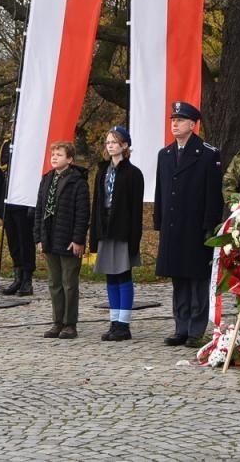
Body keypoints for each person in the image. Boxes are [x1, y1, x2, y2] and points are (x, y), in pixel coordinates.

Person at [155, 101, 224, 346]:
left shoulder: (207, 154)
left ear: (192, 125)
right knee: (178, 279)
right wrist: (159, 222)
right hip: (173, 226)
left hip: (195, 227)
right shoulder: (165, 154)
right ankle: (180, 326)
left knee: (197, 279)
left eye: (180, 120)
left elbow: (213, 195)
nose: (174, 124)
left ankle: (196, 329)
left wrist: (210, 227)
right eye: (173, 119)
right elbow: (161, 192)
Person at [90, 125, 144, 341]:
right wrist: (94, 234)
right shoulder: (102, 171)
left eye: (115, 142)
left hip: (123, 230)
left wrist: (134, 238)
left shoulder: (133, 173)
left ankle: (124, 323)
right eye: (108, 142)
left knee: (123, 274)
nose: (110, 146)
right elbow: (97, 203)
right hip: (106, 227)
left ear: (124, 145)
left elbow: (135, 210)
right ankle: (114, 320)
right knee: (110, 275)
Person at [36, 140, 90, 339]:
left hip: (68, 238)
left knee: (69, 282)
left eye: (59, 155)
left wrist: (78, 239)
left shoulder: (77, 182)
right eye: (53, 155)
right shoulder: (47, 179)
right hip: (50, 237)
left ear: (69, 159)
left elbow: (82, 213)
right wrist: (39, 237)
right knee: (54, 282)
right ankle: (57, 321)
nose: (54, 158)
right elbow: (40, 210)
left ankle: (70, 323)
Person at [0, 138, 38, 296]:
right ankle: (17, 276)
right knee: (13, 241)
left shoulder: (31, 142)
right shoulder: (8, 144)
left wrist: (32, 204)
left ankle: (27, 279)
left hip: (24, 201)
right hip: (9, 199)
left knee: (25, 241)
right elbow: (2, 175)